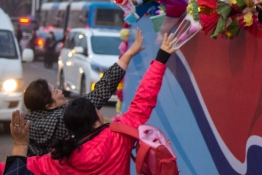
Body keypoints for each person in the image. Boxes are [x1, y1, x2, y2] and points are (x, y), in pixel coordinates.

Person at [3, 33, 179, 175]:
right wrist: (161, 58)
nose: (60, 91)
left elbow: (13, 170)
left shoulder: (57, 160)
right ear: (96, 119)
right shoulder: (118, 138)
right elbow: (143, 100)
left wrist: (20, 145)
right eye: (54, 91)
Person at [23, 29, 145, 156]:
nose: (60, 91)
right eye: (55, 91)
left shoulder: (25, 129)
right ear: (49, 106)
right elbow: (101, 91)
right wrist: (129, 53)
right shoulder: (66, 117)